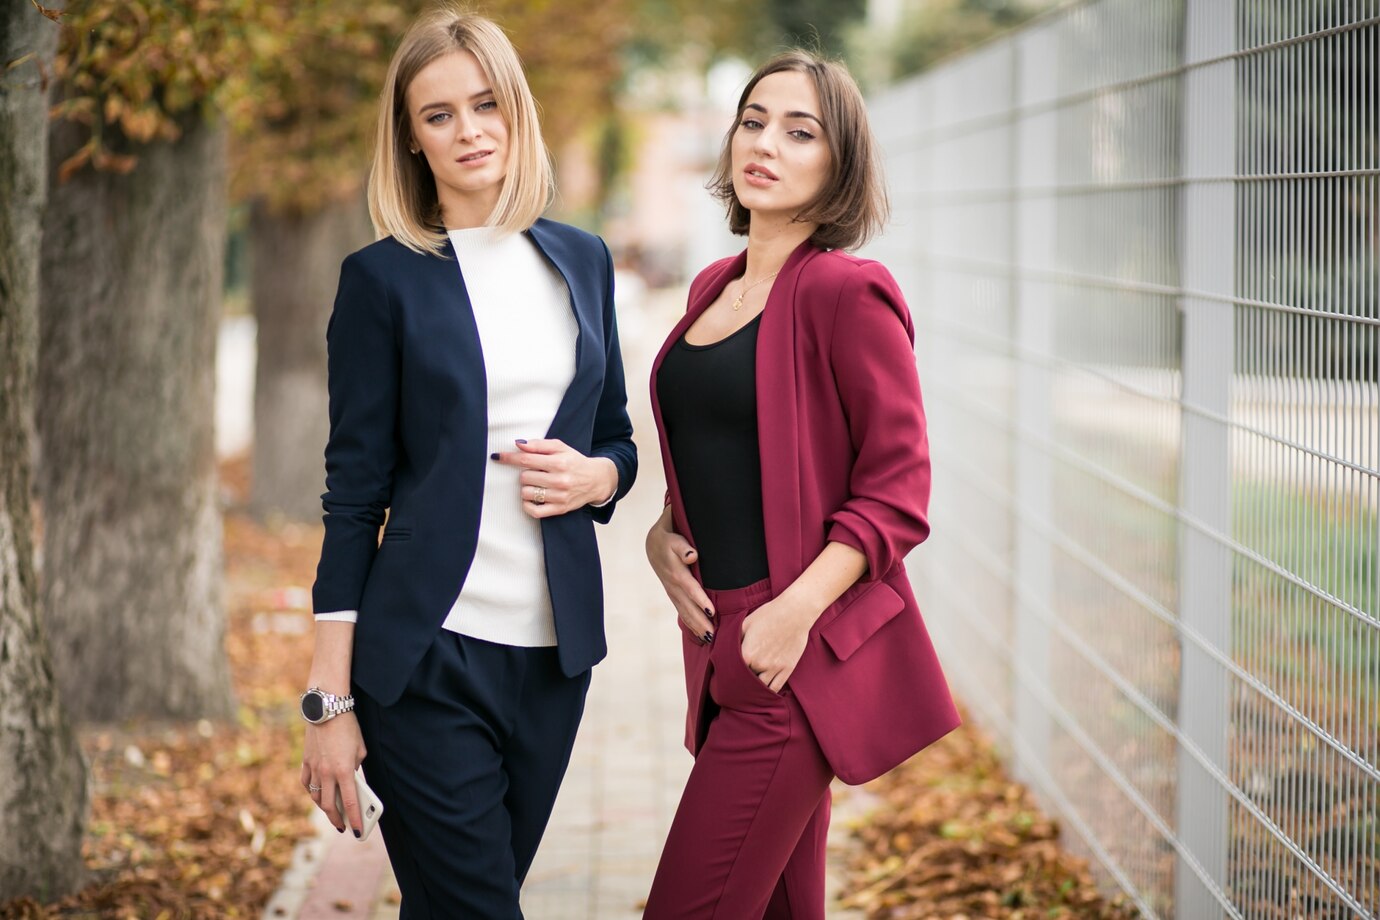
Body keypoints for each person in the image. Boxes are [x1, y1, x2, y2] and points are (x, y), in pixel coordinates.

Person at [297, 7, 636, 917]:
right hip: (425, 659)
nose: (468, 130)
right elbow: (351, 493)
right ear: (410, 138)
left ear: (516, 110)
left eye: (485, 104)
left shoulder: (583, 260)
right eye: (438, 114)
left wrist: (598, 479)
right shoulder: (383, 279)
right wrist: (329, 699)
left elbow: (617, 437)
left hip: (554, 659)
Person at [643, 50, 959, 919]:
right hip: (717, 651)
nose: (766, 143)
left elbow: (899, 490)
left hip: (790, 664)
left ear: (838, 162)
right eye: (753, 120)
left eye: (799, 129)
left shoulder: (847, 293)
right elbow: (723, 446)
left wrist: (792, 614)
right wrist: (660, 533)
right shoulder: (713, 288)